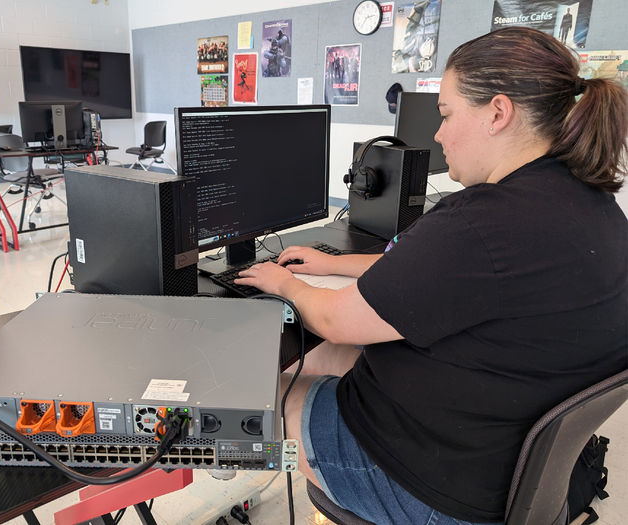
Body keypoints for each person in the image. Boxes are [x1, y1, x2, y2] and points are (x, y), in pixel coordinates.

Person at [235, 26, 627, 524]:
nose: (438, 135)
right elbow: (442, 276)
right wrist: (331, 263)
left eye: (445, 115)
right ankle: (296, 454)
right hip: (506, 459)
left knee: (260, 397)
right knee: (327, 360)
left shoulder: (482, 222)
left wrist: (283, 282)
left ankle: (270, 466)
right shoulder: (590, 206)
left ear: (498, 113)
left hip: (434, 490)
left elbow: (333, 318)